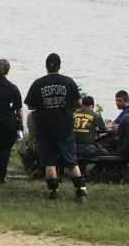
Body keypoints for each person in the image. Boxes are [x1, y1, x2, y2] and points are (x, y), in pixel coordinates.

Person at [24, 53, 87, 202]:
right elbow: (78, 103)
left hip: (45, 129)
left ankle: (53, 194)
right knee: (71, 161)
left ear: (46, 66)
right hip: (64, 127)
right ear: (59, 66)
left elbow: (30, 105)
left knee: (49, 162)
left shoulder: (38, 84)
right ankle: (80, 192)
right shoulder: (68, 82)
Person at [73, 96, 110, 177]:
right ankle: (94, 173)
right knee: (107, 154)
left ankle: (81, 172)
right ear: (92, 106)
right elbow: (104, 129)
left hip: (72, 148)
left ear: (82, 105)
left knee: (84, 153)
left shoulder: (74, 114)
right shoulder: (95, 116)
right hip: (86, 148)